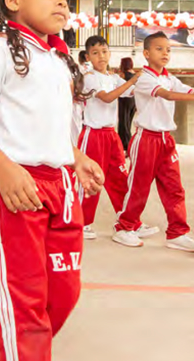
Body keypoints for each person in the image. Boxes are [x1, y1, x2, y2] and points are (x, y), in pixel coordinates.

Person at [0, 0, 103, 361]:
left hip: (60, 185)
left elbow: (43, 124)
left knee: (63, 293)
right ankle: (7, 342)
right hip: (16, 184)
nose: (61, 3)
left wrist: (75, 157)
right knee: (23, 302)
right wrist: (2, 168)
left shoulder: (56, 59)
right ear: (14, 0)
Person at [112, 32, 194, 250]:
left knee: (174, 187)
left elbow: (190, 90)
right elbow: (168, 95)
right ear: (146, 53)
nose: (165, 53)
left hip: (166, 140)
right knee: (139, 186)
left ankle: (177, 233)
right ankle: (125, 227)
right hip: (146, 139)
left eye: (168, 49)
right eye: (159, 49)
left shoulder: (170, 78)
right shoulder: (145, 78)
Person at [78, 36, 141, 240]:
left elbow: (132, 91)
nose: (101, 56)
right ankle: (82, 222)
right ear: (88, 57)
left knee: (120, 177)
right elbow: (107, 97)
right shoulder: (89, 77)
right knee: (91, 177)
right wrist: (132, 79)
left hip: (110, 134)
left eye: (104, 51)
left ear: (110, 53)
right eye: (95, 53)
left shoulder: (114, 78)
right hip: (93, 133)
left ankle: (128, 221)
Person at [117, 56, 137, 151]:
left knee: (123, 123)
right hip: (133, 100)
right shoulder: (135, 74)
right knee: (128, 122)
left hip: (125, 99)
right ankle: (129, 144)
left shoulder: (123, 75)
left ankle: (125, 145)